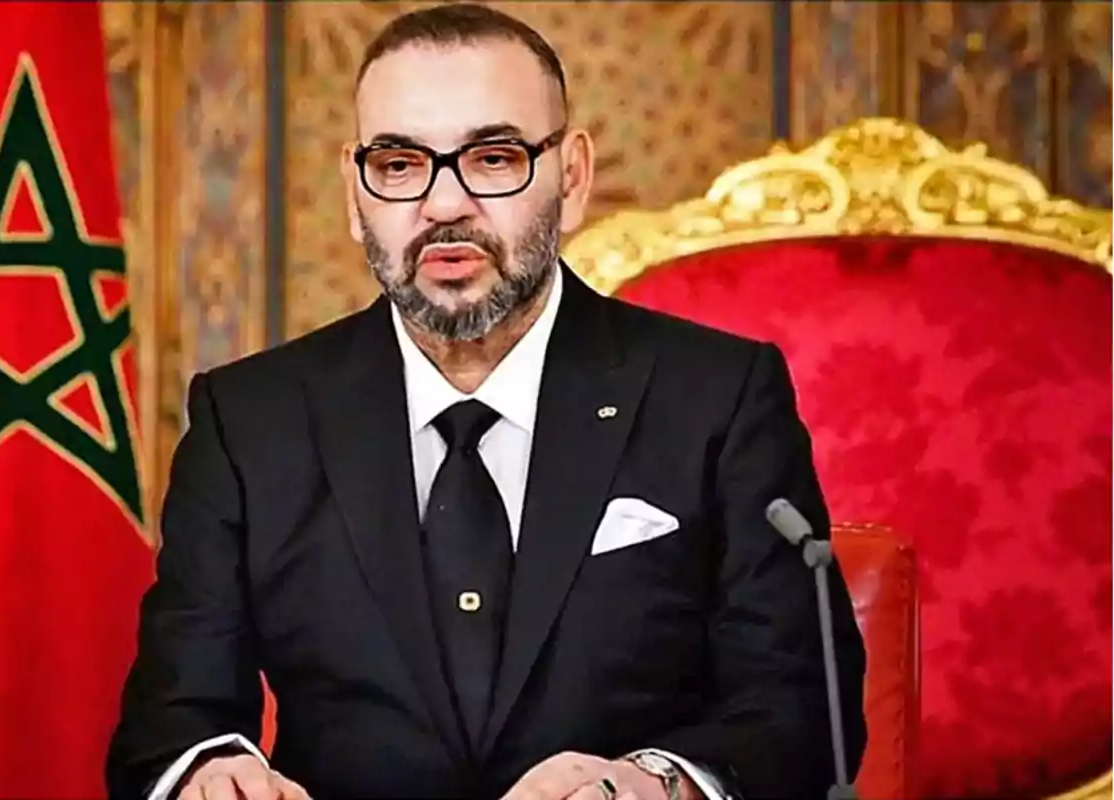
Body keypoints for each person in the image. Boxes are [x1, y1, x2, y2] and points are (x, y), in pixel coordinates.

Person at [106, 4, 866, 799]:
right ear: (352, 189)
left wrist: (659, 785)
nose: (442, 205)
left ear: (571, 179)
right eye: (398, 165)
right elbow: (168, 723)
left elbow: (803, 706)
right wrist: (208, 773)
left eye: (493, 158)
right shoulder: (248, 422)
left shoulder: (717, 397)